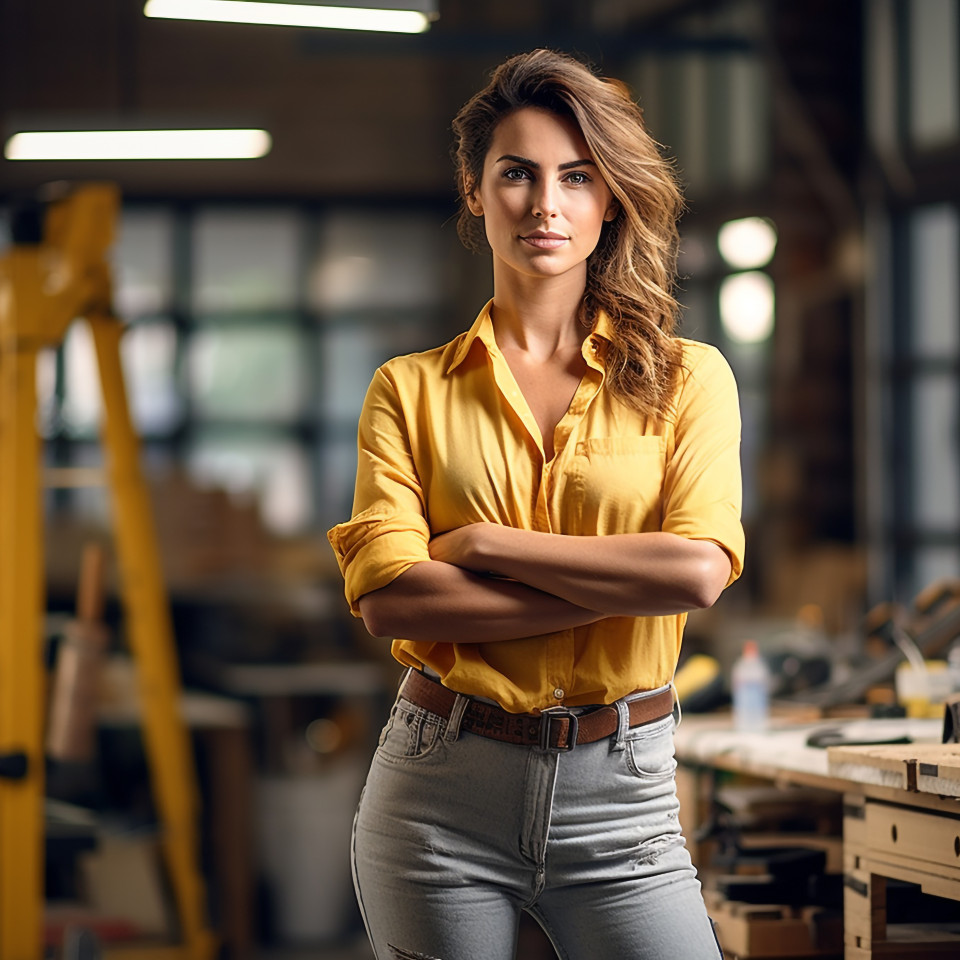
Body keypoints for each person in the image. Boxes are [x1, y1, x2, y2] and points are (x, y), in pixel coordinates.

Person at [328, 47, 744, 960]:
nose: (544, 204)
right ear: (477, 193)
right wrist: (629, 585)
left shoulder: (689, 380)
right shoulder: (408, 390)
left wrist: (483, 543)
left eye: (576, 177)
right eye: (515, 174)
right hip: (440, 794)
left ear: (610, 198)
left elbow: (698, 570)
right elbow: (392, 601)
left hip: (625, 797)